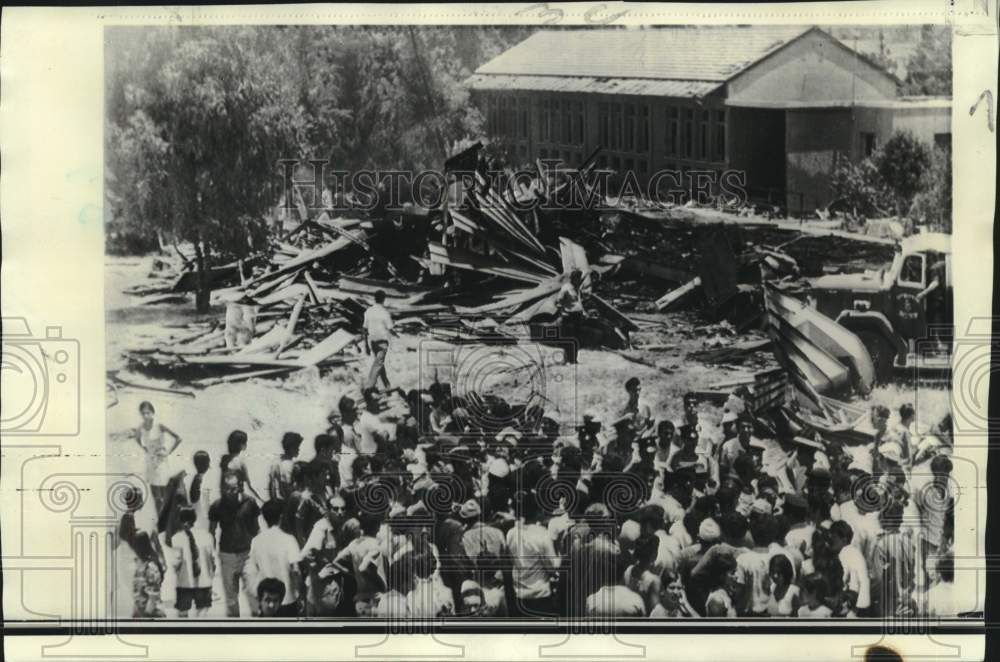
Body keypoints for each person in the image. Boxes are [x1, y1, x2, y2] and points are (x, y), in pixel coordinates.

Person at [210, 471, 261, 617]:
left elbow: (257, 529)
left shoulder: (250, 503)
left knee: (253, 594)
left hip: (247, 555)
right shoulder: (217, 506)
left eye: (232, 488)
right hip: (227, 557)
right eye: (226, 488)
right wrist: (212, 556)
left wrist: (258, 556)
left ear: (239, 487)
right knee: (231, 601)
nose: (229, 492)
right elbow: (211, 532)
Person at [248, 500, 302, 617]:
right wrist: (300, 594)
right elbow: (296, 570)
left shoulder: (256, 541)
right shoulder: (289, 539)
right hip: (287, 599)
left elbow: (253, 570)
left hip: (266, 600)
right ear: (281, 517)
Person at [131, 401, 182, 514]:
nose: (145, 416)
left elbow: (178, 438)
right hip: (151, 462)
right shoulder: (141, 427)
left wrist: (168, 452)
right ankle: (160, 519)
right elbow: (137, 439)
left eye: (148, 413)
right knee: (155, 495)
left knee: (164, 493)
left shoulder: (159, 425)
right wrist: (145, 449)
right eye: (143, 413)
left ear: (153, 412)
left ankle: (166, 518)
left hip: (162, 462)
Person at [171, 506, 215, 618]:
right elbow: (212, 559)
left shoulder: (176, 538)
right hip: (204, 582)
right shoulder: (206, 536)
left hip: (184, 582)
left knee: (182, 612)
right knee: (202, 611)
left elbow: (175, 563)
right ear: (194, 519)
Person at [830, 520, 871, 617]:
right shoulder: (853, 551)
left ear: (844, 539)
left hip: (853, 607)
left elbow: (846, 580)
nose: (831, 541)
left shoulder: (846, 553)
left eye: (834, 538)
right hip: (861, 603)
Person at [362, 289, 394, 391]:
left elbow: (365, 329)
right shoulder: (385, 312)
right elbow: (390, 327)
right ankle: (370, 386)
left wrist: (365, 345)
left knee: (379, 364)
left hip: (372, 342)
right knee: (379, 364)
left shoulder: (368, 311)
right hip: (382, 342)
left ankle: (385, 385)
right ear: (383, 299)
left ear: (374, 299)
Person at [221, 430, 263, 503]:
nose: (246, 444)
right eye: (245, 442)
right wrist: (262, 500)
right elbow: (250, 485)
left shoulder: (224, 459)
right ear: (241, 445)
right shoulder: (241, 462)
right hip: (237, 497)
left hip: (225, 496)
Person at [131, 530, 166, 618]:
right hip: (140, 611)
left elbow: (153, 595)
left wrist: (145, 615)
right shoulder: (139, 565)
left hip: (150, 613)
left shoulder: (151, 568)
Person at [556, 269, 586, 363]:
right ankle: (567, 359)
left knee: (576, 338)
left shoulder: (578, 288)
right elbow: (559, 301)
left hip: (577, 316)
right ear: (573, 278)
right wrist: (563, 311)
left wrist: (583, 312)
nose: (579, 280)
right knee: (569, 338)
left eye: (580, 278)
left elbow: (579, 302)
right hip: (569, 316)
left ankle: (574, 359)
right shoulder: (566, 287)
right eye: (577, 278)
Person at [268, 432, 303, 501]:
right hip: (289, 500)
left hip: (278, 499)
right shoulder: (289, 465)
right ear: (291, 448)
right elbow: (287, 486)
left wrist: (273, 500)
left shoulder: (275, 462)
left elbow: (272, 485)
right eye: (297, 447)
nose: (299, 450)